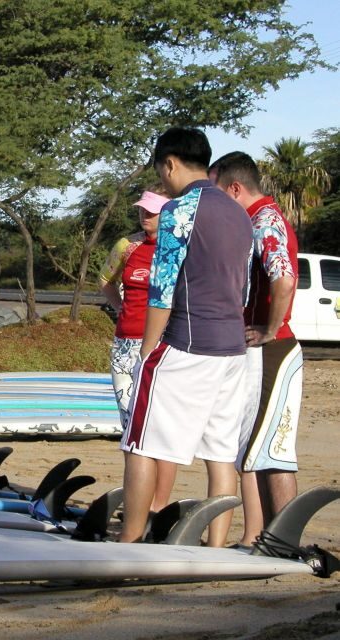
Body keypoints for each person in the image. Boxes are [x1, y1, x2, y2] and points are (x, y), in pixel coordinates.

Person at [119, 127, 253, 547]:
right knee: (220, 453)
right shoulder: (239, 213)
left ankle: (129, 541)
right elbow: (244, 287)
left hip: (188, 344)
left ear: (170, 163)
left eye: (161, 171)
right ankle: (216, 547)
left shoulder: (179, 210)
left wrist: (146, 352)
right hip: (233, 349)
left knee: (140, 443)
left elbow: (162, 290)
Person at [210, 151, 302, 547]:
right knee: (257, 448)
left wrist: (269, 328)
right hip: (261, 350)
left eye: (217, 192)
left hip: (273, 350)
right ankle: (268, 538)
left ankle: (285, 540)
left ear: (235, 188)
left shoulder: (265, 221)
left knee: (273, 449)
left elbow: (284, 279)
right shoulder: (255, 221)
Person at [100, 190, 178, 514]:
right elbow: (105, 281)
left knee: (160, 428)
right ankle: (136, 502)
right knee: (131, 428)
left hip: (162, 347)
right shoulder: (126, 245)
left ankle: (158, 506)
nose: (145, 216)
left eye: (152, 211)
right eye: (142, 210)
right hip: (125, 346)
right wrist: (121, 309)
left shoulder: (178, 247)